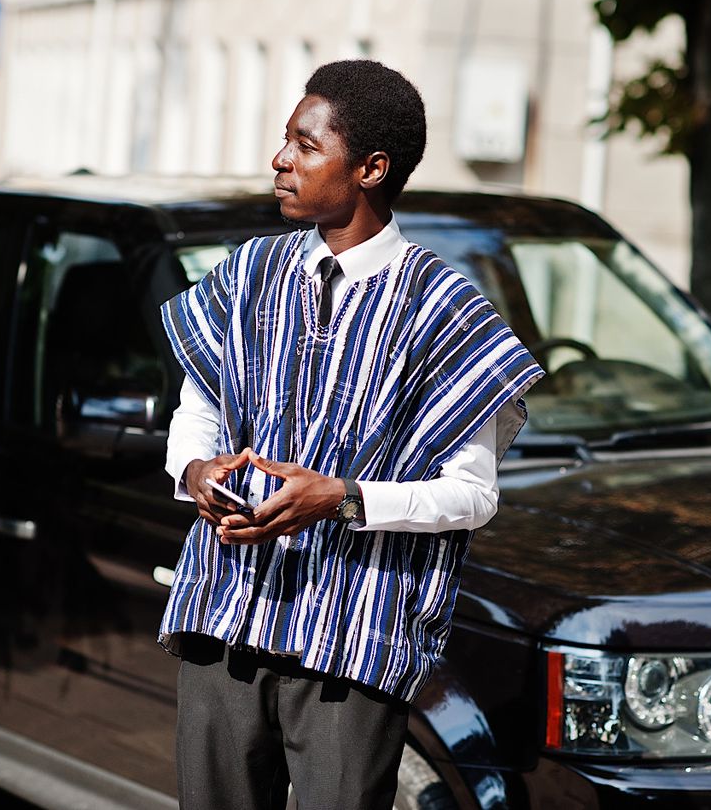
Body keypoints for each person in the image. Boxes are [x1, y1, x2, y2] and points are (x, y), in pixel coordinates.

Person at [159, 59, 543, 810]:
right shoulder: (249, 273)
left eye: (305, 146)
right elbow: (197, 407)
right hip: (222, 614)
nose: (280, 160)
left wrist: (341, 498)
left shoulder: (446, 310)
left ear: (370, 168)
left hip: (354, 643)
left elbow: (471, 496)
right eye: (284, 141)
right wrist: (197, 470)